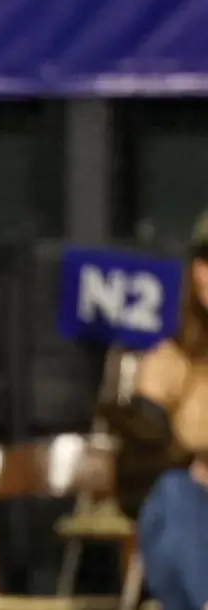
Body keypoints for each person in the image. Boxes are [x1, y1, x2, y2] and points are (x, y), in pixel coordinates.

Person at [128, 212, 208, 610]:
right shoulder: (168, 363)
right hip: (189, 523)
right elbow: (134, 474)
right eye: (206, 261)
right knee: (175, 492)